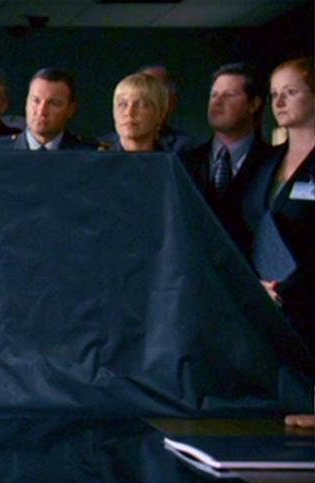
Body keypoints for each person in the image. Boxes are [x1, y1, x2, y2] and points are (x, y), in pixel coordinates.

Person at [242, 57, 315, 359]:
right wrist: (257, 285)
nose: (279, 102)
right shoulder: (264, 162)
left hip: (307, 307)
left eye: (290, 92)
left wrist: (287, 289)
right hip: (264, 308)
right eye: (274, 95)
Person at [181, 63, 272, 254]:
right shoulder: (184, 162)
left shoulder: (273, 162)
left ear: (253, 105)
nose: (217, 102)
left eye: (229, 95)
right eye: (214, 95)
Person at [0, 68, 97, 151]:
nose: (41, 111)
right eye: (36, 101)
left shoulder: (90, 155)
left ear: (70, 109)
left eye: (54, 103)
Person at [107, 72, 168, 152]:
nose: (129, 112)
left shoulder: (174, 158)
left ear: (160, 113)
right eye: (122, 104)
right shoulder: (97, 159)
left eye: (141, 105)